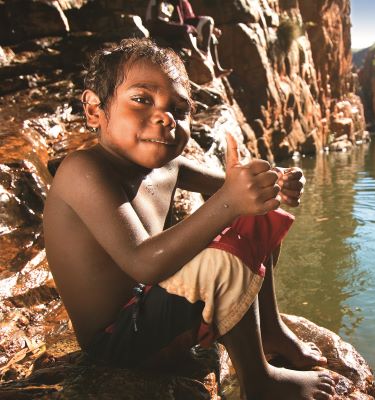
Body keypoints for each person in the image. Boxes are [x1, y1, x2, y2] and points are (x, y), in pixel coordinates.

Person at [43, 38, 335, 400]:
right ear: (94, 109)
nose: (165, 116)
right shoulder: (83, 170)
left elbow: (233, 189)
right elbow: (142, 263)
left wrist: (272, 182)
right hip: (119, 340)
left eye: (179, 110)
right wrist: (231, 200)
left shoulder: (169, 165)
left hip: (151, 305)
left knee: (258, 213)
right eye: (142, 99)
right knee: (227, 253)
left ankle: (271, 330)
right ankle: (260, 382)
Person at [145, 0, 232, 77]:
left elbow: (188, 18)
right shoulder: (160, 2)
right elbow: (162, 19)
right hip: (159, 26)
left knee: (211, 35)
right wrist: (188, 28)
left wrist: (211, 29)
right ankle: (196, 53)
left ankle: (214, 65)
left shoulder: (183, 2)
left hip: (179, 24)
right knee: (186, 29)